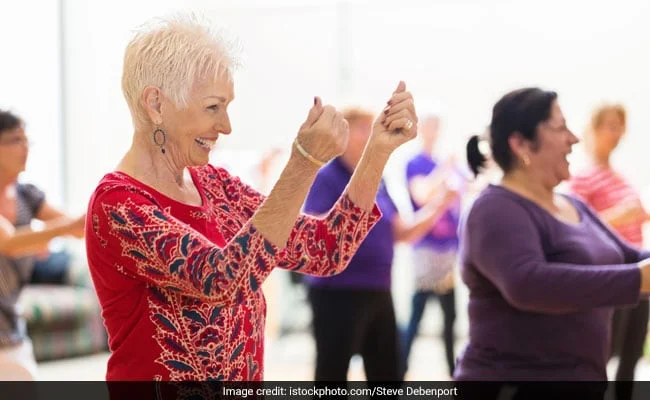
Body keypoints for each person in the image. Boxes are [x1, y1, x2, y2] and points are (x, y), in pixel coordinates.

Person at [84, 13, 419, 382]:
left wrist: (377, 151)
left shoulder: (215, 185)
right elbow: (223, 280)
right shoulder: (118, 204)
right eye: (213, 107)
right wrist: (303, 163)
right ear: (156, 104)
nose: (226, 126)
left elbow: (326, 249)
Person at [457, 88, 650, 399]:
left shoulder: (574, 205)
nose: (574, 139)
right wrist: (638, 279)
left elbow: (630, 257)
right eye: (560, 128)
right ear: (520, 143)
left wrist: (638, 272)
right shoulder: (495, 209)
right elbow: (528, 283)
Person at [303, 107, 458, 382]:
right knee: (332, 374)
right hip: (336, 292)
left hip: (377, 288)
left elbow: (401, 232)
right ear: (345, 134)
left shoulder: (377, 180)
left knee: (388, 375)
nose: (373, 135)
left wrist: (439, 204)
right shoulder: (326, 177)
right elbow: (314, 235)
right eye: (365, 129)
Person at [569, 104, 649, 400]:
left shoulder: (621, 177)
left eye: (620, 127)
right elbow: (572, 228)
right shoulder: (582, 177)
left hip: (639, 274)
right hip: (612, 276)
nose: (616, 134)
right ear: (594, 129)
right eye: (610, 126)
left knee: (632, 354)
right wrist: (620, 214)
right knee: (605, 352)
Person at [0, 110, 85, 380]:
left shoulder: (27, 196)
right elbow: (10, 242)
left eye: (27, 140)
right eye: (15, 140)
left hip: (9, 326)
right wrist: (58, 231)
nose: (25, 148)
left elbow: (79, 227)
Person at [402, 112, 467, 379]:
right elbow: (422, 193)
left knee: (450, 317)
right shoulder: (415, 163)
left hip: (448, 250)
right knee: (417, 313)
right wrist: (445, 171)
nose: (433, 131)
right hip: (426, 250)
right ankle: (400, 368)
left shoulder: (445, 163)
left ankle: (454, 373)